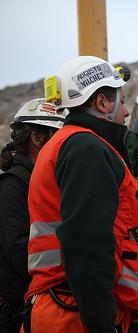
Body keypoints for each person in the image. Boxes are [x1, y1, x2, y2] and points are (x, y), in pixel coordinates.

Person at [25, 56, 138, 333]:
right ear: (102, 103)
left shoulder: (71, 144)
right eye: (122, 101)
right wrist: (102, 324)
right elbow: (87, 242)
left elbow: (109, 227)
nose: (125, 112)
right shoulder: (86, 149)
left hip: (70, 306)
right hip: (75, 314)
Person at [0, 98, 67, 333]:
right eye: (58, 138)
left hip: (39, 305)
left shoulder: (46, 184)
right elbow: (21, 251)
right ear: (37, 139)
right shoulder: (12, 186)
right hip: (14, 314)